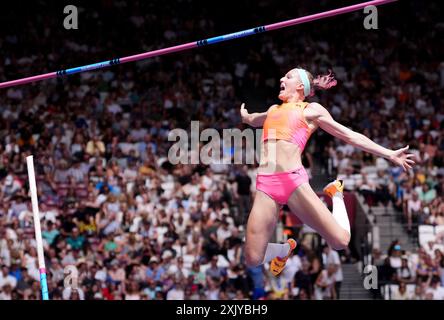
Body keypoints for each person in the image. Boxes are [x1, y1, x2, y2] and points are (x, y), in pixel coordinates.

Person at [240, 68, 416, 276]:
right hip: (266, 185)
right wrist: (246, 116)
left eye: (288, 76)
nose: (281, 78)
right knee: (252, 258)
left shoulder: (310, 110)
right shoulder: (272, 110)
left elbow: (349, 135)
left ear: (300, 86)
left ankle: (336, 194)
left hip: (292, 182)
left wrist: (388, 153)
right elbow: (254, 119)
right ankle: (284, 249)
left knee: (341, 241)